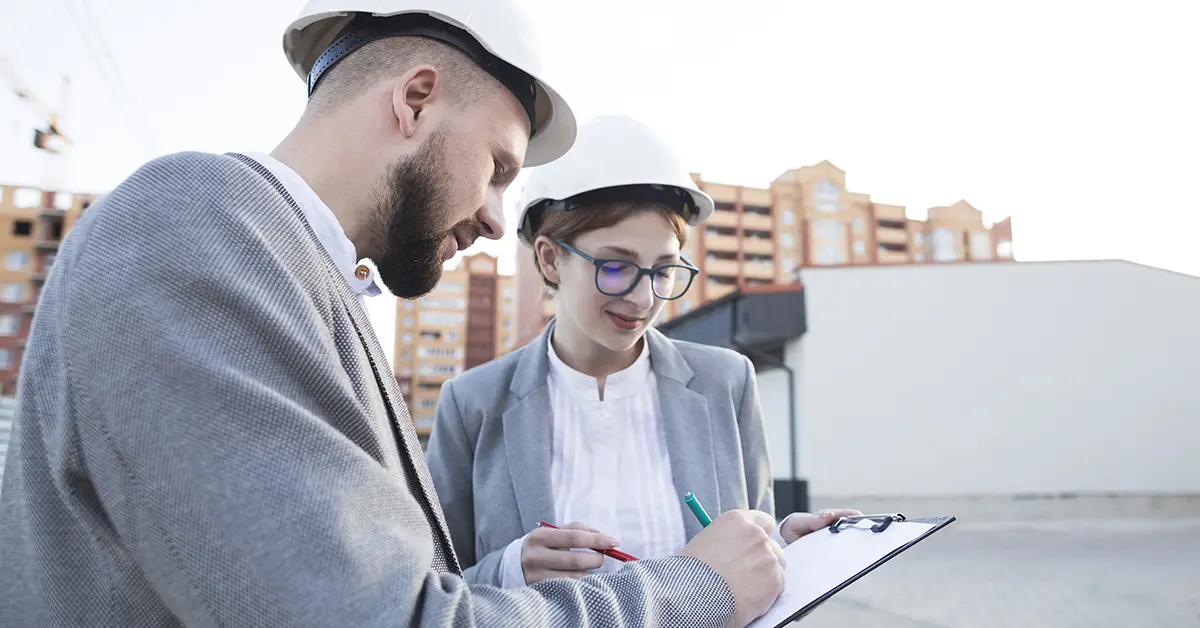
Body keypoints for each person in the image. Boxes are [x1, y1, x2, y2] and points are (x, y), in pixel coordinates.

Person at [0, 2, 790, 627]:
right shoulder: (190, 227)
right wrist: (694, 589)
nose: (491, 218)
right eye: (497, 168)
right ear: (415, 100)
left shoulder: (297, 277)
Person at [425, 115, 860, 588]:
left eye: (664, 270)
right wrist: (506, 569)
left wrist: (783, 545)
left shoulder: (727, 383)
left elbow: (753, 543)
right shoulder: (472, 404)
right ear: (550, 259)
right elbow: (427, 591)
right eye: (616, 266)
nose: (643, 298)